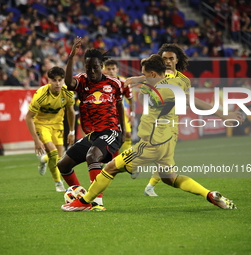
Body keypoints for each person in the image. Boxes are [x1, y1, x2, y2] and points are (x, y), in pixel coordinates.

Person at [61, 54, 241, 212]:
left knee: (110, 168)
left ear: (153, 74)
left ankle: (85, 202)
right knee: (170, 179)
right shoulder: (171, 81)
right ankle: (209, 195)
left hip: (151, 145)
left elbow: (192, 101)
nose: (144, 78)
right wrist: (138, 79)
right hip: (167, 143)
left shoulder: (164, 90)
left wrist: (224, 114)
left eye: (146, 74)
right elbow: (154, 78)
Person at [57, 37, 125, 209]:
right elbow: (68, 83)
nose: (92, 70)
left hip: (110, 131)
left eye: (95, 67)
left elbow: (119, 106)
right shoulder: (81, 81)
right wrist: (71, 57)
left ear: (101, 67)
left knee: (92, 156)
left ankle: (95, 201)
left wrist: (123, 131)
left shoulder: (114, 83)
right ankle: (80, 193)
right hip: (93, 135)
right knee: (63, 164)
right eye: (88, 67)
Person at [124, 43, 190, 196]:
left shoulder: (184, 81)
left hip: (171, 122)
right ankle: (142, 176)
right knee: (160, 154)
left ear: (177, 60)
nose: (167, 61)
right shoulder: (156, 76)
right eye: (164, 58)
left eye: (170, 58)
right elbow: (145, 93)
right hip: (153, 119)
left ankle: (148, 183)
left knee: (164, 157)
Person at [26, 66, 76, 192]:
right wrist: (36, 140)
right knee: (53, 153)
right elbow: (29, 117)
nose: (58, 83)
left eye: (60, 80)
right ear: (48, 80)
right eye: (54, 80)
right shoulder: (41, 95)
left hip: (58, 124)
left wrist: (71, 131)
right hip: (42, 124)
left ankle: (44, 160)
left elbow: (71, 111)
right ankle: (58, 183)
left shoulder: (68, 92)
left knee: (59, 158)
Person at [103, 59, 134, 152]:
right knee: (106, 137)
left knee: (127, 134)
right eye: (108, 69)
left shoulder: (124, 82)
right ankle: (104, 159)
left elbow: (130, 99)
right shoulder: (101, 82)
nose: (111, 71)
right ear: (105, 70)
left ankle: (128, 158)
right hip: (105, 113)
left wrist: (132, 114)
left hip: (120, 112)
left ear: (117, 69)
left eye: (113, 69)